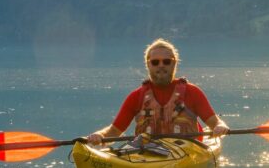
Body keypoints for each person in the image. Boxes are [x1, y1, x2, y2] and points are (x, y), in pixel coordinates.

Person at [86, 39, 229, 146]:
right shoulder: (136, 97)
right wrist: (99, 135)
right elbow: (113, 132)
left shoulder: (193, 92)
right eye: (155, 62)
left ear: (174, 63)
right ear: (148, 64)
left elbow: (215, 122)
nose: (161, 65)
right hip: (147, 153)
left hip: (188, 152)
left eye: (166, 61)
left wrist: (220, 127)